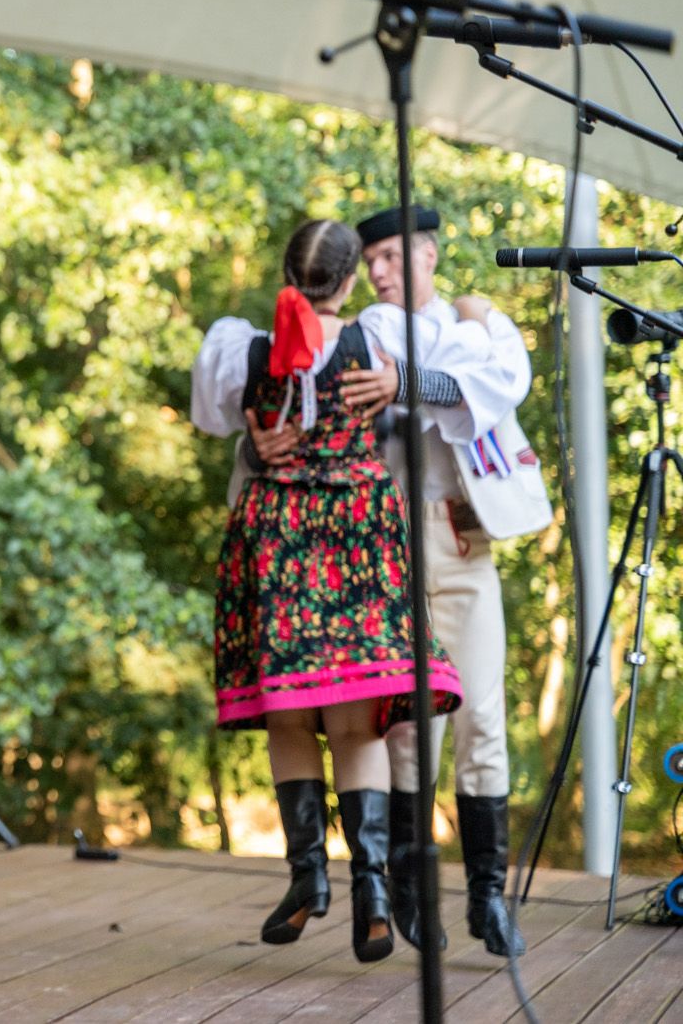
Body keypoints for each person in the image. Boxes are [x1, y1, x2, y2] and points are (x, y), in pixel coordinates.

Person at [192, 219, 468, 963]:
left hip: (280, 533)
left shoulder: (244, 350)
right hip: (357, 533)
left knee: (289, 715)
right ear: (349, 281)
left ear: (288, 274)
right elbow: (449, 383)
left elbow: (212, 416)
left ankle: (308, 876)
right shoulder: (379, 343)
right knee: (357, 725)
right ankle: (371, 892)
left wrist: (258, 437)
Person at [351, 205, 543, 957]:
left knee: (483, 719)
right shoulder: (378, 330)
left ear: (428, 254)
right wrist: (474, 331)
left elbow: (504, 379)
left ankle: (488, 897)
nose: (378, 270)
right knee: (407, 728)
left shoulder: (465, 328)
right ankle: (409, 893)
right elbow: (441, 377)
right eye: (370, 259)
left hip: (462, 539)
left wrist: (473, 325)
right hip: (391, 548)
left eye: (392, 256)